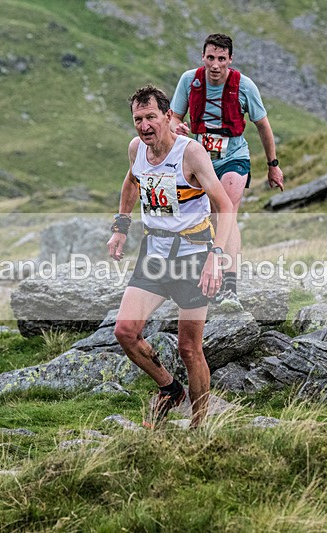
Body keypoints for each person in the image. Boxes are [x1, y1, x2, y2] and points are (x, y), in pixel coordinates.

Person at [107, 85, 235, 428]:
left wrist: (215, 256)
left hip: (194, 254)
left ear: (167, 117)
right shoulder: (136, 148)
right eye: (138, 119)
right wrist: (121, 226)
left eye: (151, 117)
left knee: (189, 348)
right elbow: (131, 183)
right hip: (154, 253)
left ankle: (198, 426)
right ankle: (170, 388)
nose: (145, 125)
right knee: (124, 331)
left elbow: (224, 206)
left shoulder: (190, 154)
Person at [170, 33, 284, 311]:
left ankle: (229, 284)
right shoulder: (189, 81)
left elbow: (263, 127)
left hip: (234, 156)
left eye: (222, 59)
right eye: (211, 58)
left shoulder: (245, 86)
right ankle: (205, 275)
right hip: (200, 160)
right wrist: (177, 127)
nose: (216, 65)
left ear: (230, 60)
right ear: (203, 57)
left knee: (227, 210)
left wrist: (273, 165)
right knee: (208, 215)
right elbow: (173, 117)